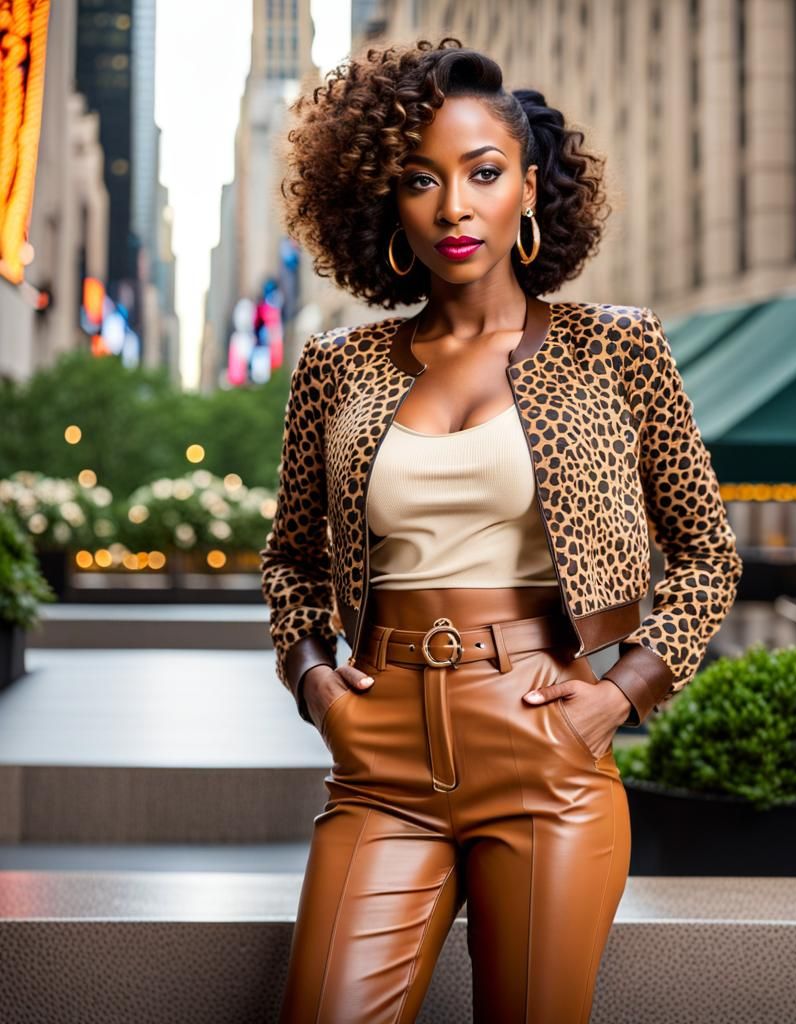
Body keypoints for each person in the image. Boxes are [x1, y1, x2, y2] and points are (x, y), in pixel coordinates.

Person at [260, 37, 743, 1024]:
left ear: (529, 186)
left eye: (482, 173)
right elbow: (291, 560)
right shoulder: (336, 369)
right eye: (418, 180)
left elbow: (704, 553)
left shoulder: (618, 347)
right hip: (379, 751)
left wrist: (618, 698)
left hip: (545, 745)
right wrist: (314, 679)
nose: (453, 207)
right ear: (382, 204)